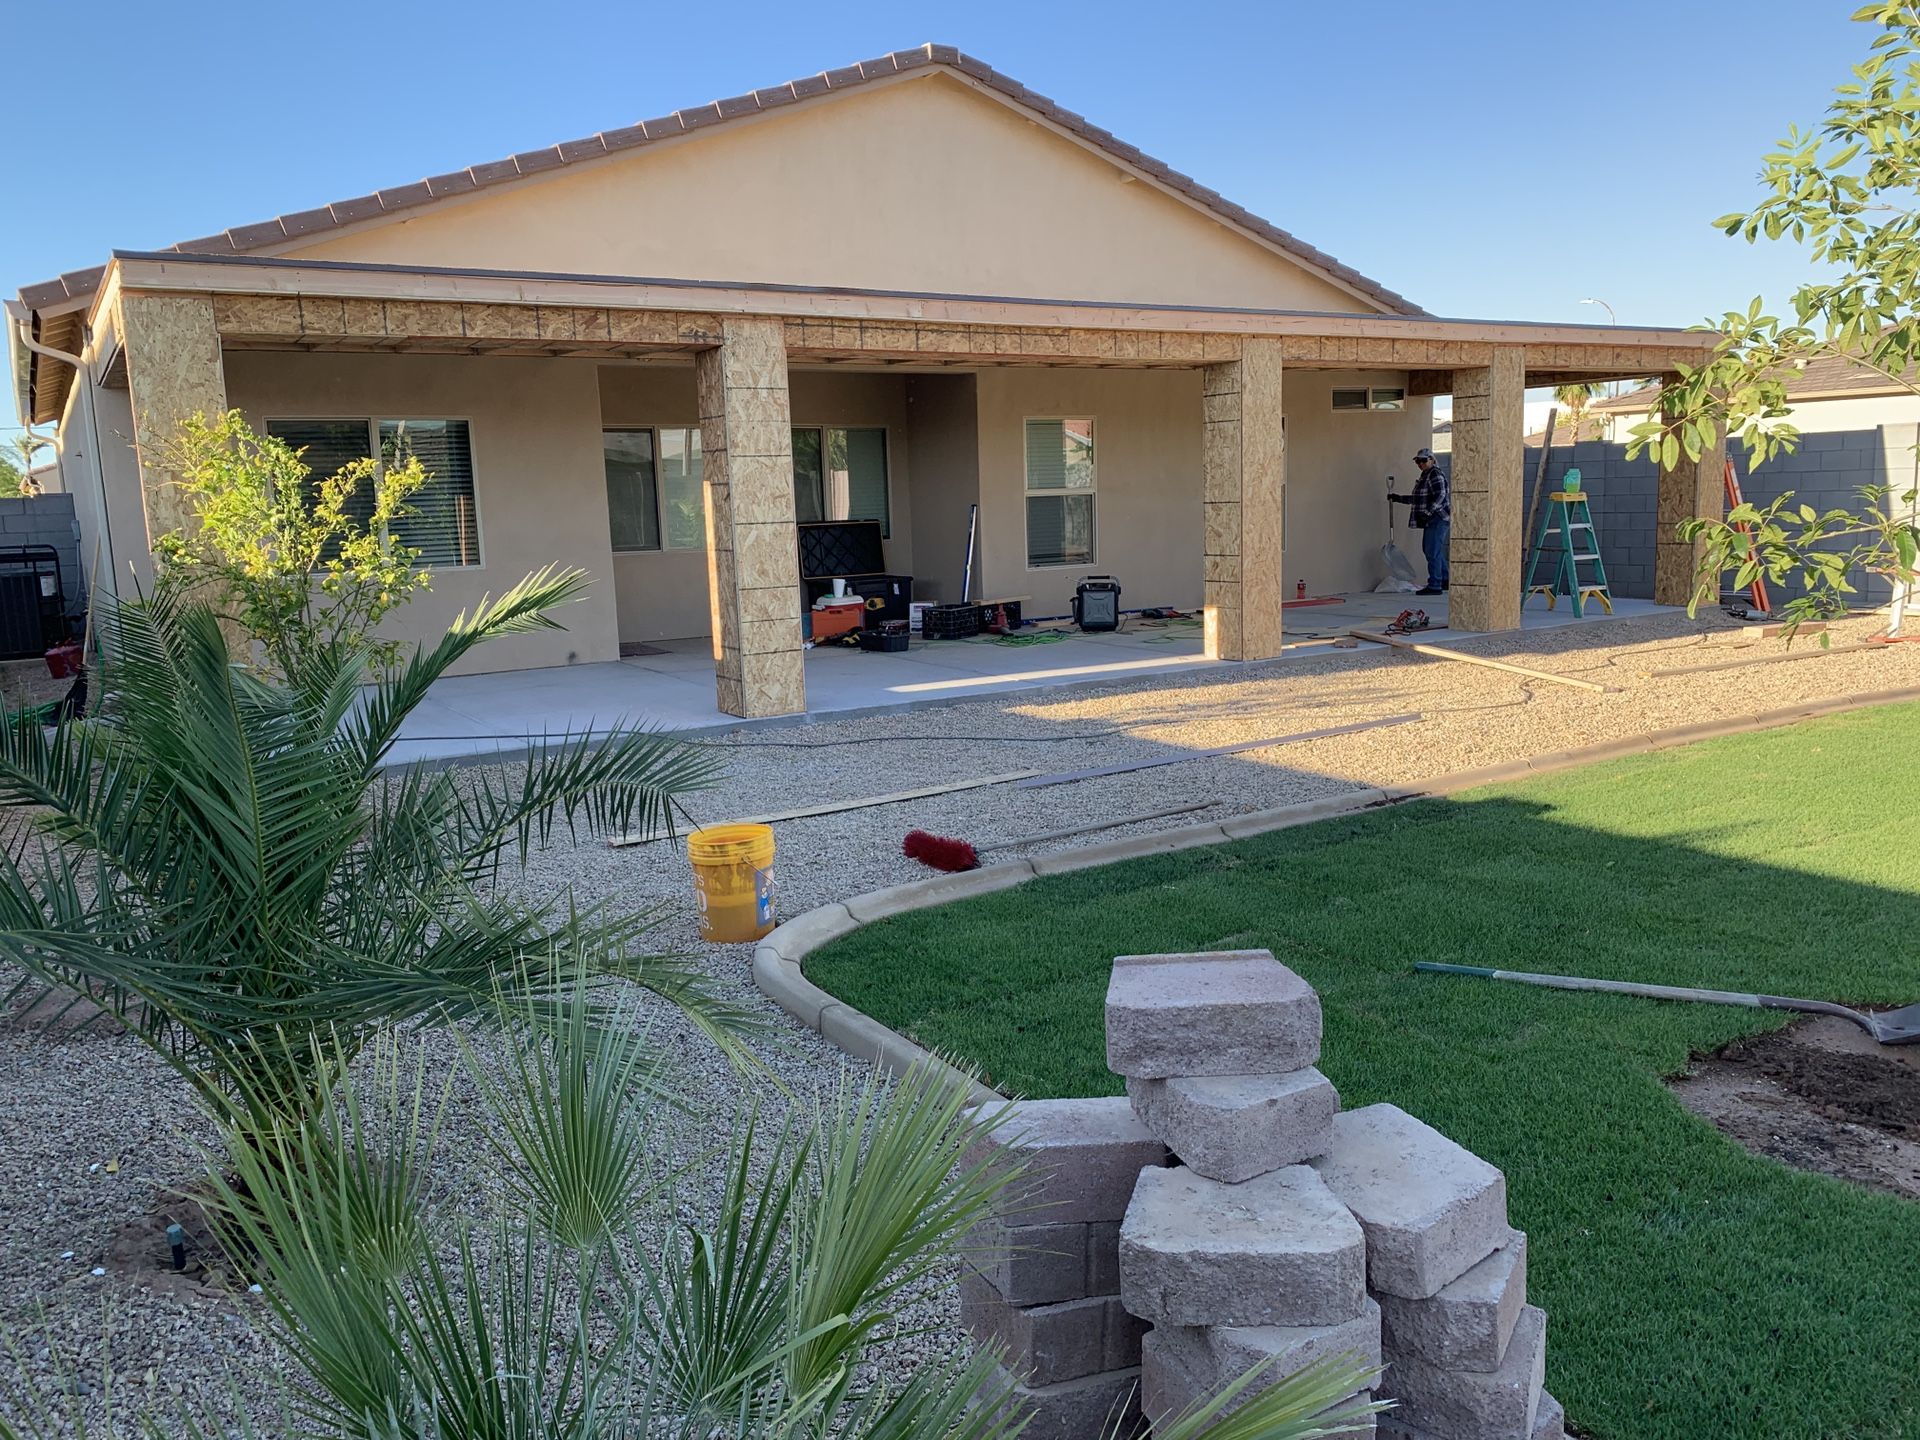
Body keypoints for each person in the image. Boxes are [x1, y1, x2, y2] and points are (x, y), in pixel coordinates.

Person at [1391, 448, 1451, 596]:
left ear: (1432, 460)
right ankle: (1444, 579)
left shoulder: (1435, 474)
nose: (1420, 464)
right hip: (1432, 518)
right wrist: (1398, 498)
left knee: (1432, 551)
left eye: (1424, 460)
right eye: (1418, 461)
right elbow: (1419, 499)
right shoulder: (1425, 476)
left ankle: (1435, 585)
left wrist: (1428, 513)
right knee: (1432, 550)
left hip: (1437, 518)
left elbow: (1441, 496)